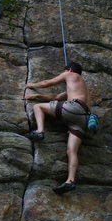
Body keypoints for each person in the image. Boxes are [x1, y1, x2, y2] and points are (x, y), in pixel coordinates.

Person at [23, 61, 90, 194]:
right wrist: (36, 95)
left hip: (73, 109)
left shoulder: (71, 75)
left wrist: (31, 85)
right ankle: (70, 181)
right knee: (72, 151)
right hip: (84, 118)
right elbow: (56, 97)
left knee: (38, 107)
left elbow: (48, 82)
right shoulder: (82, 88)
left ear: (69, 70)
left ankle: (39, 131)